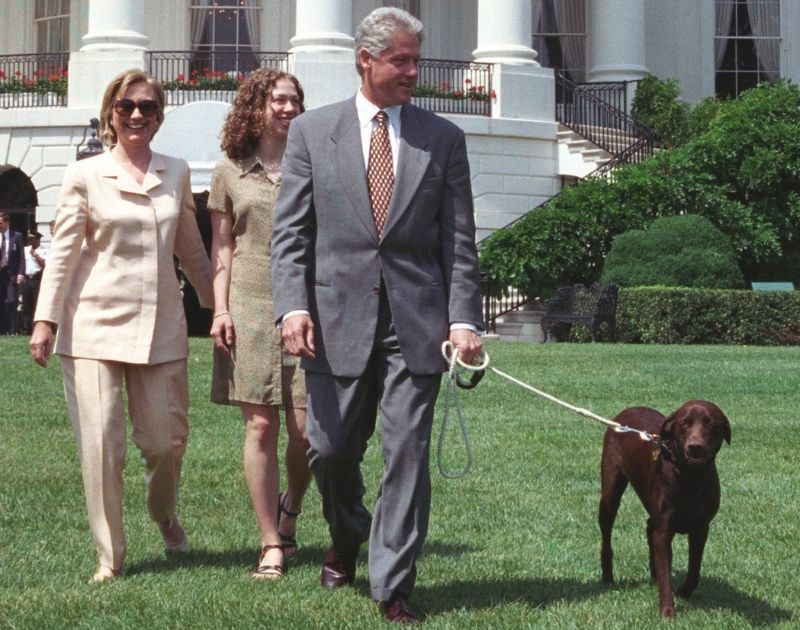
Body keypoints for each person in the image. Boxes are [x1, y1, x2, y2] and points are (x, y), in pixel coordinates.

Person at [271, 7, 483, 624]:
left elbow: (459, 241)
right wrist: (292, 306)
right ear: (366, 60)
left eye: (417, 60)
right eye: (401, 61)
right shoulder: (312, 132)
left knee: (407, 456)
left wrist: (463, 319)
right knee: (330, 450)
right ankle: (347, 532)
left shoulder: (444, 138)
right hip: (333, 320)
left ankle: (392, 587)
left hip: (416, 324)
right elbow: (290, 235)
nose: (414, 72)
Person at [29, 69, 213, 583]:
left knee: (165, 443)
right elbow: (62, 253)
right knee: (101, 443)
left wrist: (218, 309)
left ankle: (165, 516)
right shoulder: (85, 174)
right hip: (91, 325)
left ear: (159, 117)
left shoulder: (176, 173)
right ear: (111, 111)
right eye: (127, 105)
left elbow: (192, 252)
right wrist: (45, 319)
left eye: (148, 107)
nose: (137, 115)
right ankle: (110, 556)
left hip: (161, 328)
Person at [208, 68, 312, 580]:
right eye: (277, 99)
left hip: (304, 308)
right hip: (247, 306)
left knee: (307, 431)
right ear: (255, 106)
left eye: (294, 100)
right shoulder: (229, 169)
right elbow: (222, 247)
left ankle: (291, 508)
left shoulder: (313, 165)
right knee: (260, 425)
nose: (287, 108)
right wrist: (220, 310)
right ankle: (271, 540)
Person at [0, 212, 26, 334]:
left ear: (7, 222)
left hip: (11, 274)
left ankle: (12, 330)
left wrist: (21, 273)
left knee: (11, 301)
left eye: (0, 223)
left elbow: (22, 257)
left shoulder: (17, 236)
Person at [20, 230, 45, 335]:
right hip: (26, 279)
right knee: (26, 305)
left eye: (32, 239)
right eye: (29, 239)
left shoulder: (44, 250)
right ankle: (26, 329)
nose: (30, 241)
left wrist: (35, 255)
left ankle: (37, 329)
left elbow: (44, 264)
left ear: (37, 239)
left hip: (37, 279)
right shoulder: (25, 250)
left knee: (37, 305)